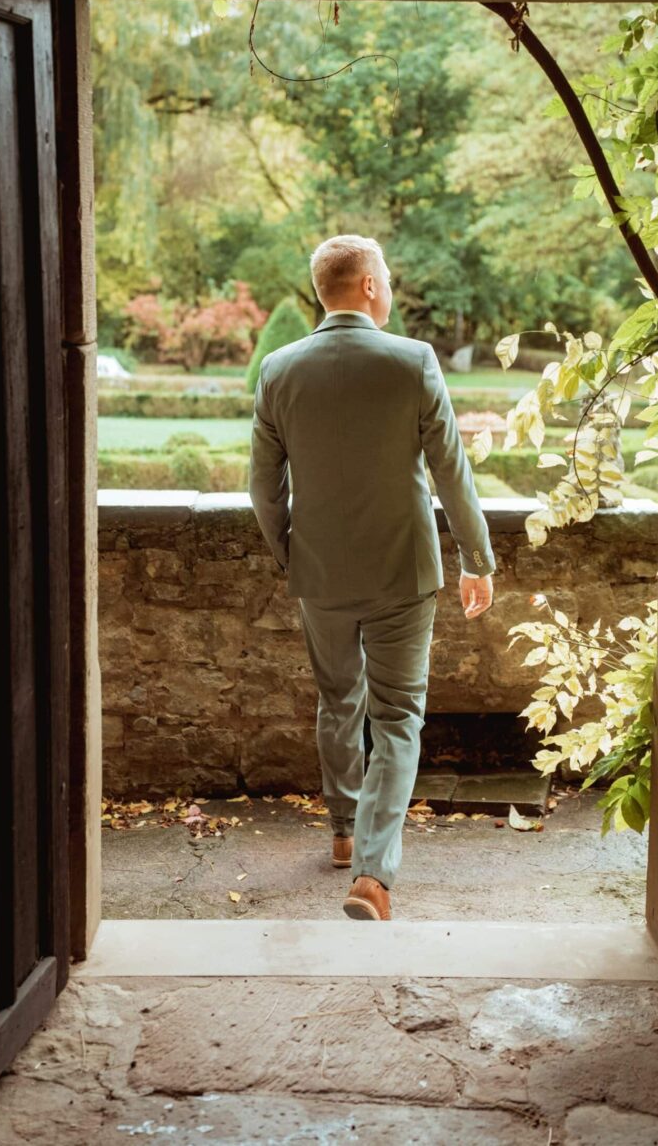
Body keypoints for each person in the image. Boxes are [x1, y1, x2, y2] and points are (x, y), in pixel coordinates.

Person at [248, 234, 496, 921]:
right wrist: (478, 559)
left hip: (319, 575)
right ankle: (373, 876)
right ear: (366, 287)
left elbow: (264, 492)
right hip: (403, 573)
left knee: (338, 701)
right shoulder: (413, 362)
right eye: (384, 277)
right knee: (396, 719)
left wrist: (290, 556)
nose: (388, 287)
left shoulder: (278, 369)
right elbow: (452, 473)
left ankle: (342, 832)